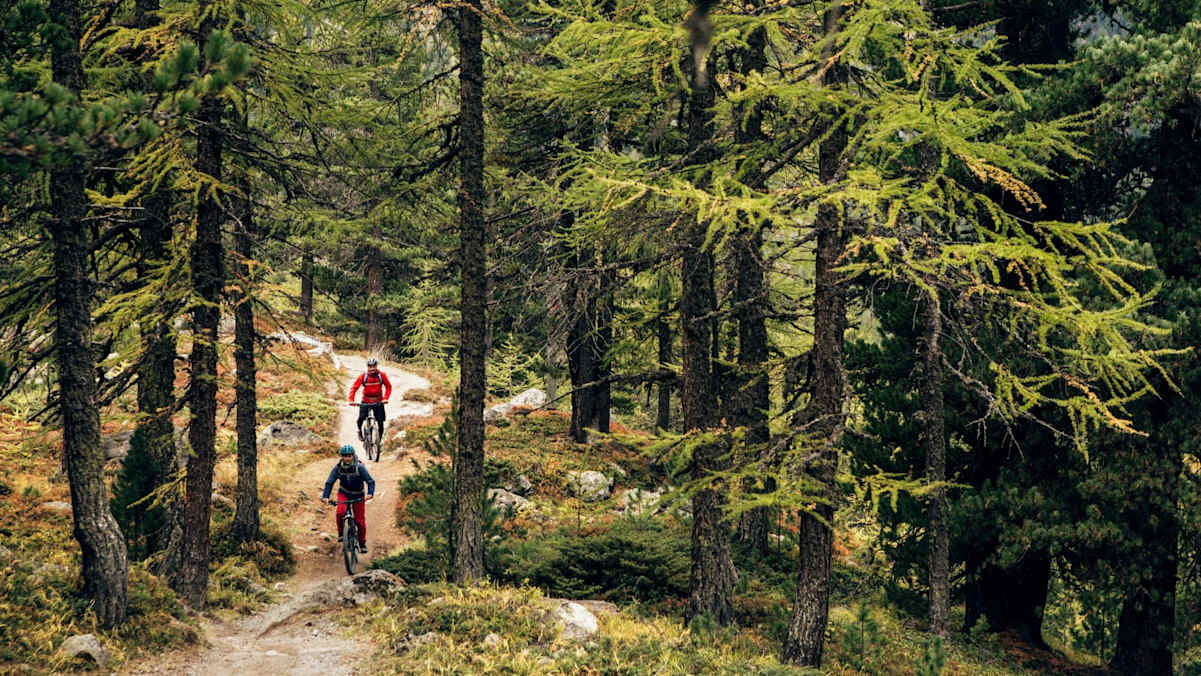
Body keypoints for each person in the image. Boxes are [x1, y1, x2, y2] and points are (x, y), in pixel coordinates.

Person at [321, 444, 375, 553]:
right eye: (345, 456)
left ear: (353, 456)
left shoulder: (359, 467)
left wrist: (370, 493)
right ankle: (341, 533)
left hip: (358, 495)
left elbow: (370, 481)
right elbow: (329, 482)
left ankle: (362, 543)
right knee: (340, 513)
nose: (347, 458)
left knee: (360, 521)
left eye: (349, 456)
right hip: (344, 493)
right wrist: (325, 496)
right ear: (342, 456)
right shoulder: (338, 468)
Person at [348, 356, 391, 442]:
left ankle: (378, 442)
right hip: (366, 401)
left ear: (376, 366)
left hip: (378, 401)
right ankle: (360, 430)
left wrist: (386, 398)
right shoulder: (363, 376)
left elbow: (388, 387)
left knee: (380, 422)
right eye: (370, 366)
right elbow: (354, 388)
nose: (372, 368)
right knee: (361, 418)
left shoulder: (381, 375)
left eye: (374, 366)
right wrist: (351, 400)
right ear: (367, 367)